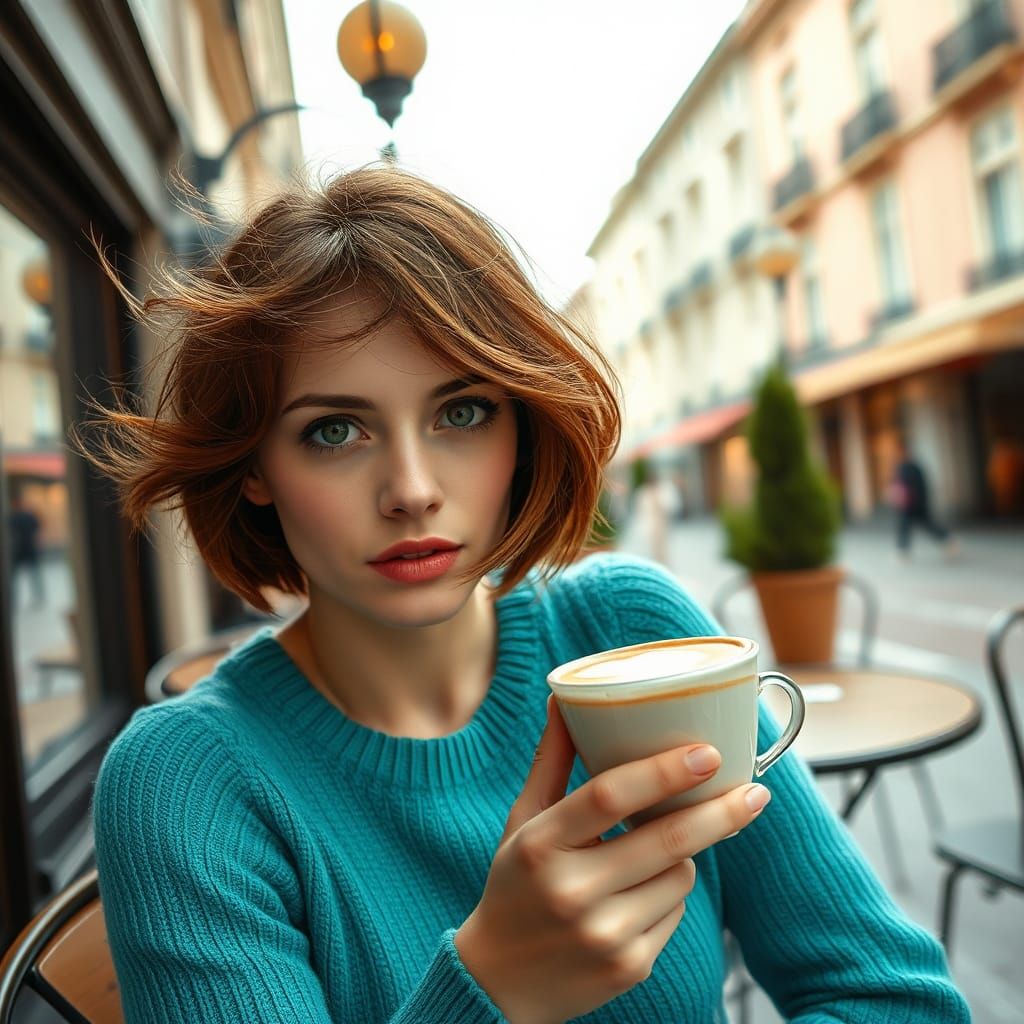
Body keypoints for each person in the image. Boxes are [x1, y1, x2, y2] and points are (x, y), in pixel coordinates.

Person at [75, 167, 969, 1023]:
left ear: (521, 425)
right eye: (334, 430)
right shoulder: (187, 784)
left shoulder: (629, 636)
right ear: (256, 465)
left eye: (462, 412)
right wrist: (493, 986)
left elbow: (899, 999)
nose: (413, 488)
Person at [890, 439, 957, 559]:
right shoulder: (906, 467)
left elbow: (918, 486)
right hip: (910, 504)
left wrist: (918, 501)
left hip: (913, 504)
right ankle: (947, 540)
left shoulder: (910, 467)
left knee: (916, 525)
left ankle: (947, 540)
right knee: (909, 526)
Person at [7, 492, 45, 607]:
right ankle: (37, 597)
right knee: (32, 575)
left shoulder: (14, 517)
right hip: (25, 550)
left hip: (22, 550)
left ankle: (37, 597)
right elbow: (38, 530)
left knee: (32, 575)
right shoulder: (21, 516)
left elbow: (37, 530)